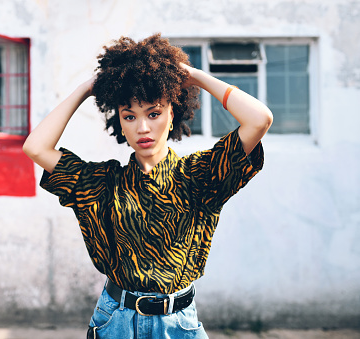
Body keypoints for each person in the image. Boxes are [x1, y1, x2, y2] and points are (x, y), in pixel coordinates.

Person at [23, 33, 273, 339]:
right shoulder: (101, 183)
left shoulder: (201, 175)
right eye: (130, 116)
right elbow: (36, 147)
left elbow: (259, 119)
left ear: (172, 114)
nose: (142, 127)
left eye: (154, 113)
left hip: (178, 325)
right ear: (121, 123)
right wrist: (86, 89)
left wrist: (194, 76)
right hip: (115, 321)